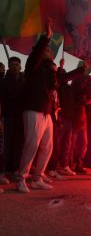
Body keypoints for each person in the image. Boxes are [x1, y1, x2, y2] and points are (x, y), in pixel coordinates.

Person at [16, 19, 57, 193]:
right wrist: (46, 38)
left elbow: (60, 81)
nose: (51, 52)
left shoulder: (49, 71)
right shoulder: (33, 64)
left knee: (48, 146)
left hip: (46, 113)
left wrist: (82, 71)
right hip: (33, 110)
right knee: (31, 145)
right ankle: (21, 179)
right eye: (48, 50)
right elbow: (36, 55)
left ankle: (37, 178)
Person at [0, 57, 25, 176]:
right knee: (6, 144)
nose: (15, 67)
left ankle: (15, 168)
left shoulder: (24, 80)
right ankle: (4, 170)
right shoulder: (3, 82)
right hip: (8, 116)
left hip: (20, 117)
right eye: (12, 65)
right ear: (9, 66)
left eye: (17, 65)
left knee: (18, 144)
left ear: (20, 66)